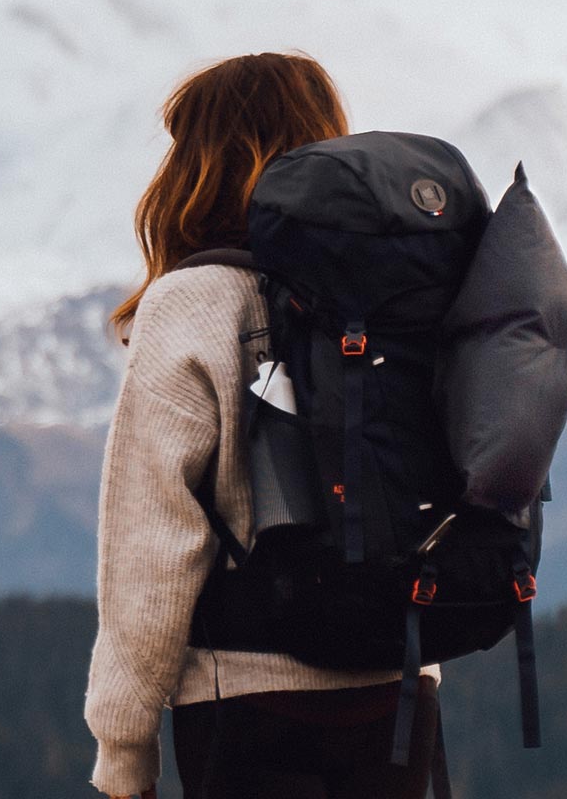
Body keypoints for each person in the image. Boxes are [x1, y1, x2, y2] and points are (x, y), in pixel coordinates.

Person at [85, 53, 443, 799]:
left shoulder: (194, 302)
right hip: (398, 691)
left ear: (199, 166)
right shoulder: (401, 289)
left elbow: (154, 544)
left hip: (247, 697)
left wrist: (123, 747)